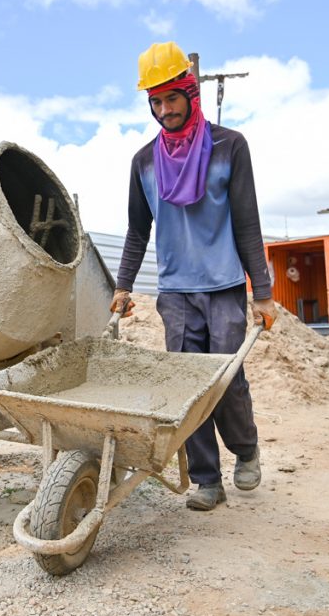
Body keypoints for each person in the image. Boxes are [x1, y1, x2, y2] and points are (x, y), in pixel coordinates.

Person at [111, 41, 277, 511]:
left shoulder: (230, 147)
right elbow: (137, 229)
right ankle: (208, 480)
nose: (164, 110)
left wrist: (261, 293)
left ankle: (246, 451)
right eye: (156, 102)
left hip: (224, 287)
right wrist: (123, 285)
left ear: (191, 92)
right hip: (176, 293)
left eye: (172, 98)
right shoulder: (144, 162)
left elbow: (247, 221)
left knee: (227, 381)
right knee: (189, 389)